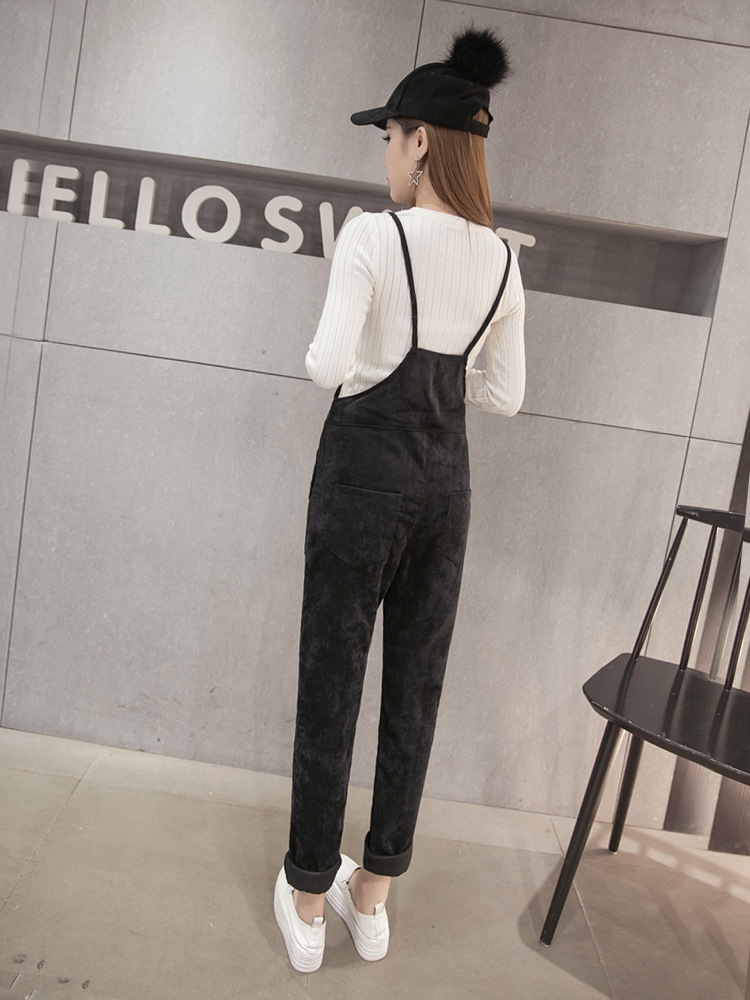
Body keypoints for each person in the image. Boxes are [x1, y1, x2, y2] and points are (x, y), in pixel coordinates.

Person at [274, 26, 525, 973]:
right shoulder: (502, 260)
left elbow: (325, 364)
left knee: (331, 682)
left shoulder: (375, 235)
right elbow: (505, 395)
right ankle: (372, 899)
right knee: (415, 690)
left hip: (360, 484)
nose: (384, 153)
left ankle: (308, 898)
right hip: (445, 493)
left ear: (422, 142)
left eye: (389, 136)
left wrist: (366, 371)